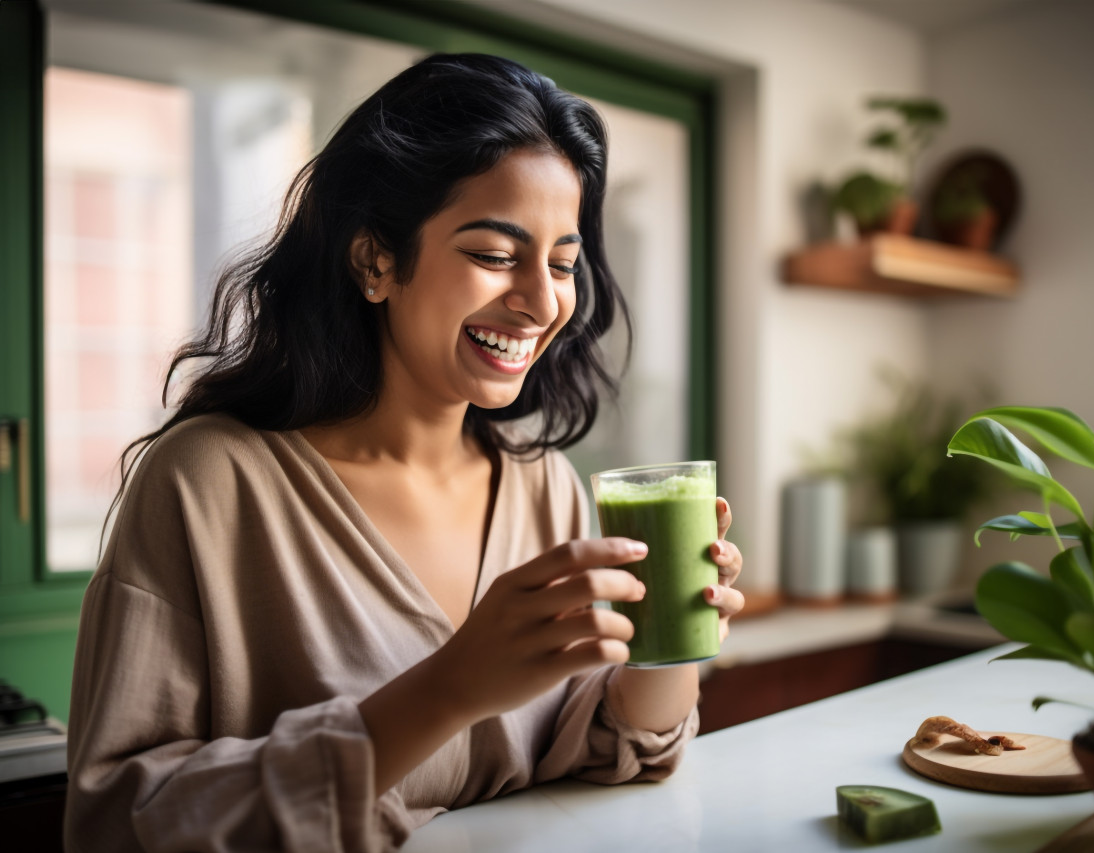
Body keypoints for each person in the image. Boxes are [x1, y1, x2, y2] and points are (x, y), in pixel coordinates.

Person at [64, 53, 745, 852]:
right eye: (495, 254)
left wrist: (673, 634)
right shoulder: (207, 482)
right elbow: (116, 823)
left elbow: (606, 750)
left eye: (563, 264)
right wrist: (448, 688)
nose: (541, 300)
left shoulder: (544, 485)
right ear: (375, 260)